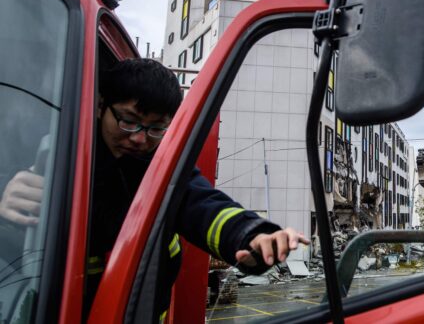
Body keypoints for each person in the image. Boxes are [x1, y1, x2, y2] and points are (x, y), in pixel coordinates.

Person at [0, 58, 309, 321]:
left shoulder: (162, 168)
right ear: (100, 107)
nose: (139, 139)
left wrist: (254, 236)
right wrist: (4, 199)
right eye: (129, 121)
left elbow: (204, 205)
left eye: (155, 128)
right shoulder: (52, 151)